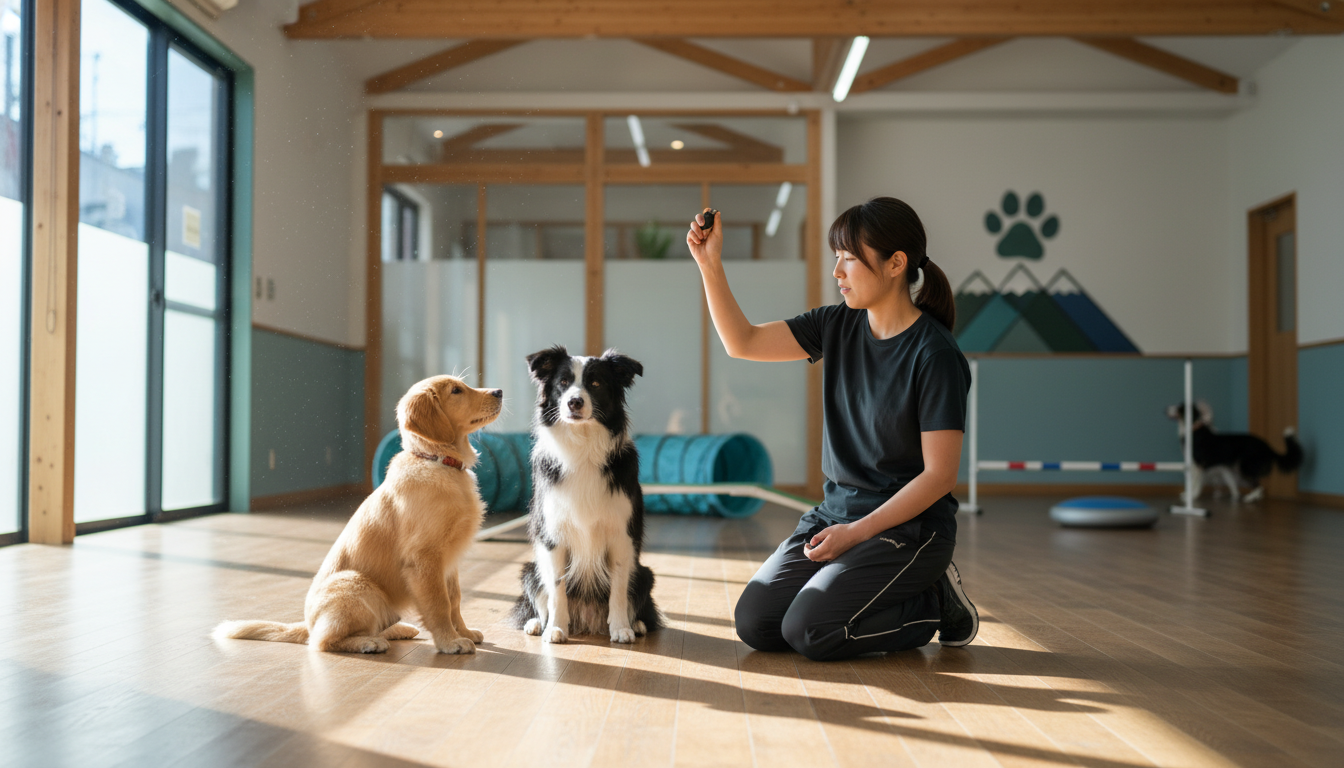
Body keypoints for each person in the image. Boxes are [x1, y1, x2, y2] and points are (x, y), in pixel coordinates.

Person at [686, 197, 977, 661]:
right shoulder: (835, 325)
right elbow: (742, 342)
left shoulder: (934, 355)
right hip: (834, 516)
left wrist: (857, 533)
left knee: (811, 631)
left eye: (848, 260)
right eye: (835, 259)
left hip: (909, 528)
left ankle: (933, 604)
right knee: (757, 624)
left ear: (896, 264)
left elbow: (939, 477)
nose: (837, 272)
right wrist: (709, 263)